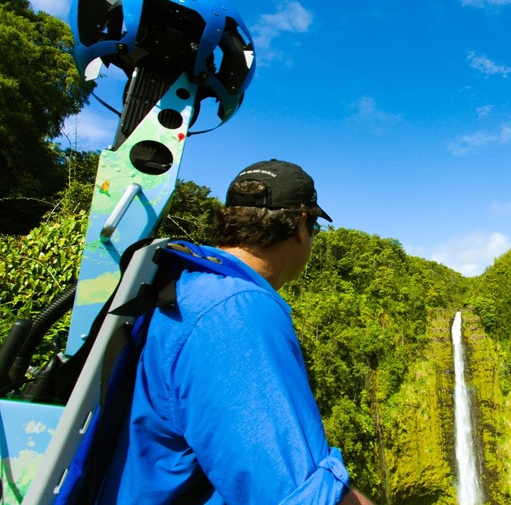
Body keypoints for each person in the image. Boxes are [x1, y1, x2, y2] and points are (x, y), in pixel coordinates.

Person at [99, 159, 375, 504]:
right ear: (301, 226)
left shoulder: (188, 285)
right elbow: (298, 496)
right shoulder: (235, 310)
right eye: (315, 229)